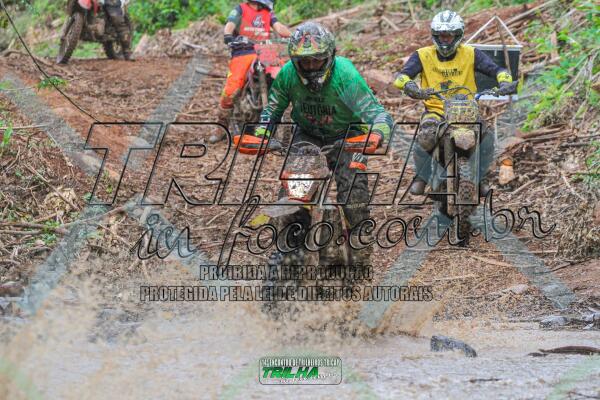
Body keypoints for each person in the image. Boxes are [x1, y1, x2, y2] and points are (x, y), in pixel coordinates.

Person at [253, 21, 393, 266]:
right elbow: (273, 109)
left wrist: (378, 134)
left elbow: (377, 113)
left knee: (354, 197)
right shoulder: (288, 74)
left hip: (348, 135)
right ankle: (289, 243)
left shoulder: (344, 75)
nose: (310, 67)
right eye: (304, 62)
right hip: (307, 135)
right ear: (295, 60)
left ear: (330, 56)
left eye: (316, 60)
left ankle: (360, 249)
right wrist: (262, 134)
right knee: (293, 191)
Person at [393, 10, 515, 196]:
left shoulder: (471, 54)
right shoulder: (423, 55)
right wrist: (411, 87)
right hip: (436, 110)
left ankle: (481, 177)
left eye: (449, 36)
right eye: (441, 36)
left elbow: (497, 70)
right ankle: (421, 177)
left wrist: (505, 82)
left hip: (466, 111)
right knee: (425, 138)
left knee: (487, 138)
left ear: (458, 35)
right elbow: (401, 76)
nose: (445, 41)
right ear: (434, 35)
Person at [210, 0, 291, 144]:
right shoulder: (240, 9)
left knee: (283, 76)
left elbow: (279, 28)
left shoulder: (268, 12)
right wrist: (228, 35)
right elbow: (230, 25)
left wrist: (295, 36)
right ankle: (221, 125)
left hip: (265, 50)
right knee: (232, 89)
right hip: (243, 51)